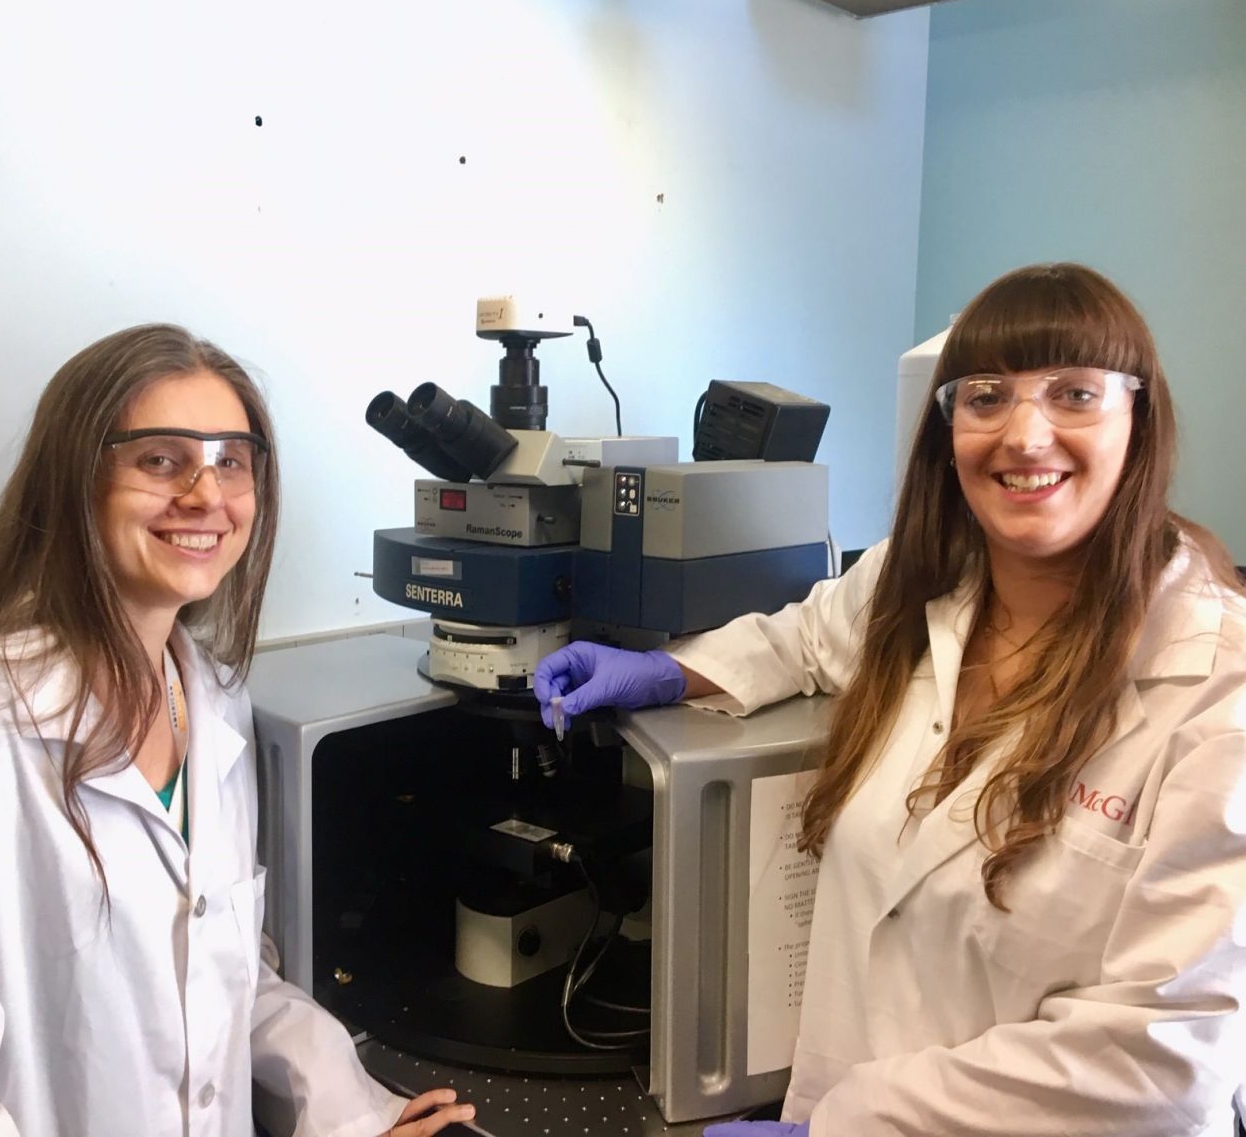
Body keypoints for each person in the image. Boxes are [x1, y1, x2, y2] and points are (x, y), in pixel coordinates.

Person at [534, 264, 1246, 1136]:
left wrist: (860, 1124)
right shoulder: (918, 585)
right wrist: (662, 673)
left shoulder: (1214, 689)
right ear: (946, 429)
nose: (1024, 435)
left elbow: (1164, 1059)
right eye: (985, 397)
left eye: (1073, 394)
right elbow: (800, 639)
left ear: (1139, 419)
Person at [0, 325, 474, 1137]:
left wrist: (358, 1115)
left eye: (231, 461)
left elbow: (226, 980)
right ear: (75, 481)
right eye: (160, 460)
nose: (206, 494)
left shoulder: (210, 701)